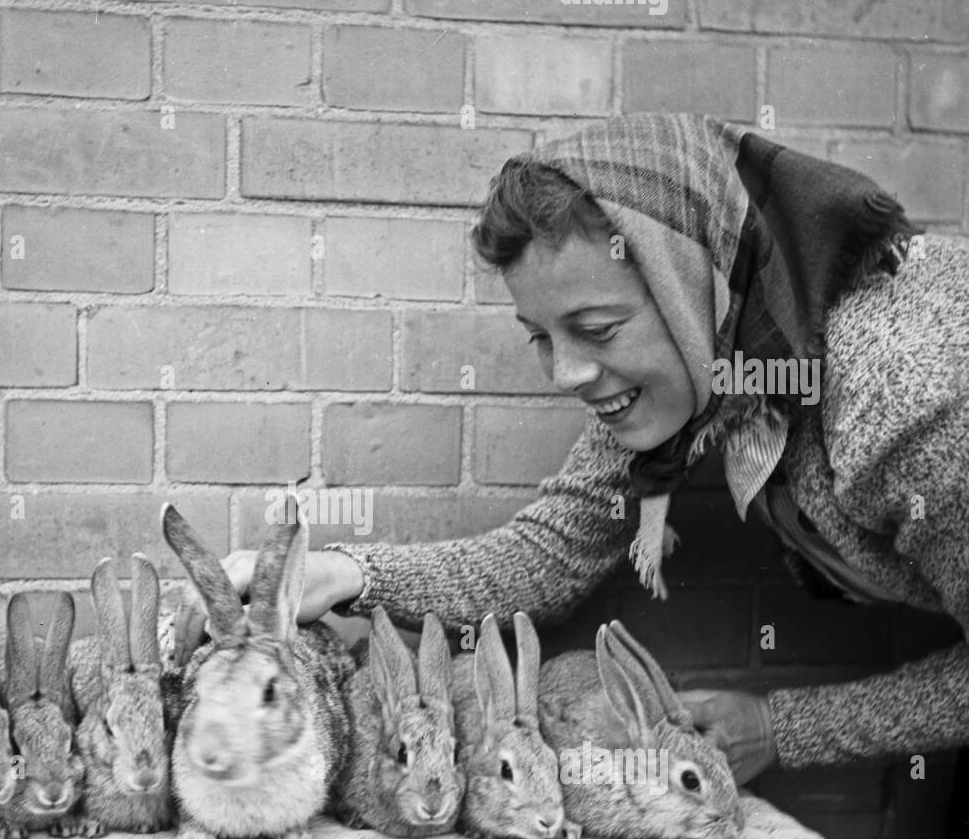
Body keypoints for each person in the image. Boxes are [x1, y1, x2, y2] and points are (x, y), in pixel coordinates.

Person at [190, 113, 969, 789]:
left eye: (596, 331)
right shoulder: (717, 361)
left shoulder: (906, 399)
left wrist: (783, 727)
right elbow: (547, 555)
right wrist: (344, 574)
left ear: (688, 280)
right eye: (541, 337)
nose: (567, 374)